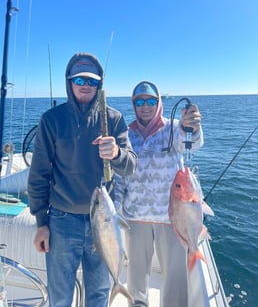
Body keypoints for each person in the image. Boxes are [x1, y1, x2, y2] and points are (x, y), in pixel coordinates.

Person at [27, 52, 137, 307]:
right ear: (69, 82)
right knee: (60, 296)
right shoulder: (51, 120)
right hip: (62, 222)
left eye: (92, 81)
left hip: (104, 221)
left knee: (99, 294)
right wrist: (41, 223)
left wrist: (117, 153)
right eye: (79, 80)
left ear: (100, 84)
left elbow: (131, 166)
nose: (86, 85)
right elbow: (39, 175)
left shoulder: (114, 119)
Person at [114, 81, 204, 307]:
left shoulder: (173, 127)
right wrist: (114, 210)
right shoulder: (126, 135)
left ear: (159, 102)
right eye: (140, 102)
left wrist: (191, 126)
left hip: (171, 218)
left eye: (151, 101)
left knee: (174, 277)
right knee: (136, 275)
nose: (145, 106)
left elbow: (192, 145)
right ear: (134, 105)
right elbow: (120, 176)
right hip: (135, 216)